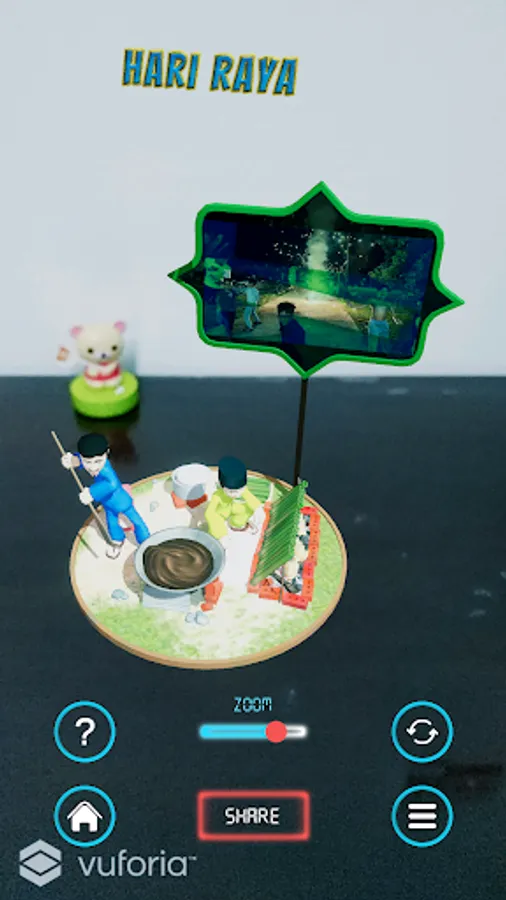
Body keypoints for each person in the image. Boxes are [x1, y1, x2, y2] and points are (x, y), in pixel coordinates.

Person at [61, 433, 150, 559]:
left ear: (106, 453)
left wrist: (91, 493)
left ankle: (146, 542)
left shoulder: (106, 470)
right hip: (107, 503)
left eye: (98, 461)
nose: (93, 467)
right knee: (112, 524)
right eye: (88, 462)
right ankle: (117, 541)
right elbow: (81, 460)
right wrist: (73, 461)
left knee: (136, 521)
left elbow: (111, 484)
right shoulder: (92, 461)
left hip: (121, 502)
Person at [205, 457, 261, 543]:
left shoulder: (244, 491)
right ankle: (219, 537)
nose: (235, 495)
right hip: (222, 512)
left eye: (239, 490)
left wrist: (258, 509)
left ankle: (236, 524)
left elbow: (252, 500)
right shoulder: (217, 496)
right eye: (231, 491)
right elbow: (209, 513)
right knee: (214, 517)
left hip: (234, 508)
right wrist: (220, 534)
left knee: (248, 508)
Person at [203, 256, 231, 331]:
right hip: (207, 286)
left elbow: (226, 281)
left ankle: (218, 322)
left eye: (226, 259)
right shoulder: (208, 260)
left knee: (218, 305)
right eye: (223, 259)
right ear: (218, 257)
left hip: (218, 289)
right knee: (206, 304)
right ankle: (205, 323)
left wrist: (220, 283)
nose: (225, 261)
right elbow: (200, 266)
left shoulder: (227, 268)